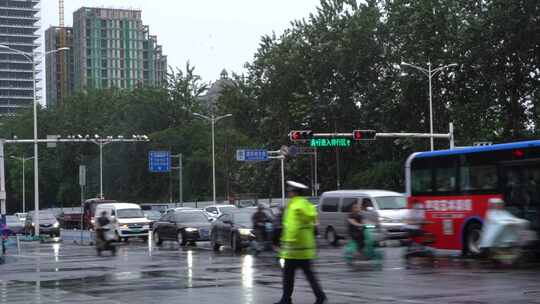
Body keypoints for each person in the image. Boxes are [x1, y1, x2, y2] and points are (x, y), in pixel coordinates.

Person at [275, 181, 326, 304]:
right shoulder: (307, 205)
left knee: (288, 277)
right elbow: (313, 225)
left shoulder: (294, 206)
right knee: (309, 275)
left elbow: (292, 227)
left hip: (293, 250)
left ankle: (286, 299)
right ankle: (320, 295)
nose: (288, 193)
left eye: (289, 191)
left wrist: (286, 242)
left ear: (294, 192)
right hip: (305, 249)